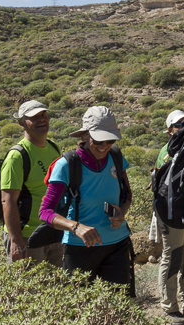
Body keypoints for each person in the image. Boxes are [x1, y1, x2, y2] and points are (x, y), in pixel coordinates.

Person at [39, 105, 133, 291]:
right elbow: (45, 212)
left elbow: (127, 194)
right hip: (79, 247)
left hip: (117, 243)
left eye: (110, 140)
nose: (104, 146)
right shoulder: (66, 165)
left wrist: (122, 212)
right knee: (79, 310)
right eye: (99, 140)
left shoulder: (116, 157)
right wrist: (76, 227)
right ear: (84, 135)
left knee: (118, 307)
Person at [0, 100, 62, 267]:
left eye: (43, 115)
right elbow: (8, 201)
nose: (41, 119)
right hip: (28, 237)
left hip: (53, 231)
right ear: (22, 123)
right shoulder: (17, 156)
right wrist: (16, 241)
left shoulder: (53, 148)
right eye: (34, 117)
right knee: (31, 289)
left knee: (59, 287)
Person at [152, 109, 184, 324]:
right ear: (169, 130)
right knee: (172, 257)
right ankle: (169, 307)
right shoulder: (168, 150)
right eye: (178, 125)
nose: (183, 128)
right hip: (170, 212)